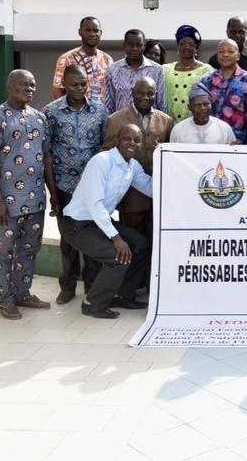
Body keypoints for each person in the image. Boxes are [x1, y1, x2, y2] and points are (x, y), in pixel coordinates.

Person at [0, 70, 52, 319]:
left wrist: (52, 193)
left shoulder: (40, 118)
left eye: (33, 85)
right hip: (7, 202)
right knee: (3, 252)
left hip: (35, 199)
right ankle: (5, 299)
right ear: (10, 86)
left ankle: (22, 294)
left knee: (29, 249)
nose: (30, 88)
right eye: (24, 84)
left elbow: (47, 157)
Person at [60, 124, 152, 318]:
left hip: (97, 223)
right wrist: (116, 238)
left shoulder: (132, 166)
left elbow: (151, 188)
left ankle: (122, 295)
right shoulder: (101, 161)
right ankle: (92, 304)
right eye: (127, 139)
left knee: (141, 244)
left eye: (137, 140)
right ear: (117, 140)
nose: (132, 143)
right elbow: (95, 205)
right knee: (118, 256)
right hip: (77, 225)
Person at [43, 65, 109, 304]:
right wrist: (53, 193)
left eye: (83, 84)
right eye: (74, 84)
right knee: (68, 239)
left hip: (92, 188)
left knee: (93, 237)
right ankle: (68, 286)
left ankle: (92, 285)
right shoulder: (51, 112)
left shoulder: (100, 110)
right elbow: (47, 153)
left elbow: (105, 148)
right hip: (65, 186)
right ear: (64, 84)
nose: (80, 89)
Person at [103, 77, 172, 241]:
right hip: (130, 197)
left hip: (157, 197)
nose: (145, 97)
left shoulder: (166, 121)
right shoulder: (115, 119)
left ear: (156, 95)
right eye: (140, 93)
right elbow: (106, 152)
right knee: (132, 245)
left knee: (155, 244)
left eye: (150, 94)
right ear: (132, 93)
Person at [200, 38, 247, 142]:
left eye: (230, 51)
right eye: (221, 52)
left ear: (238, 56)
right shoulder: (207, 81)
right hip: (210, 142)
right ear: (217, 56)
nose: (225, 55)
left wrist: (245, 141)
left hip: (238, 143)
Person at [104, 29, 166, 114]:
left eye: (138, 45)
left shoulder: (157, 69)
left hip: (149, 124)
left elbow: (161, 103)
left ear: (144, 46)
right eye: (130, 45)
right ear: (124, 45)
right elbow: (108, 105)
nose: (134, 48)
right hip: (121, 124)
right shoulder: (112, 70)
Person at [53, 16, 113, 102]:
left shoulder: (107, 59)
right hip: (76, 113)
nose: (92, 34)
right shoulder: (66, 58)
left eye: (95, 30)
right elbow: (58, 91)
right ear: (80, 32)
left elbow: (110, 90)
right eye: (88, 30)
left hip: (102, 112)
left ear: (100, 33)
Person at [163, 24, 213, 123]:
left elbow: (210, 99)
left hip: (196, 122)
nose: (186, 47)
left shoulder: (207, 70)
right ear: (178, 46)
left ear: (196, 48)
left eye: (191, 44)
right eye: (182, 43)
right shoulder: (165, 69)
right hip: (169, 122)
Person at [170, 83, 236, 144]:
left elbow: (232, 153)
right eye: (197, 105)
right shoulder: (178, 130)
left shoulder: (224, 128)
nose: (202, 108)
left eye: (206, 104)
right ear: (189, 107)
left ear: (211, 104)